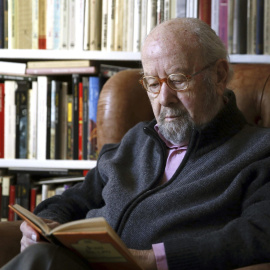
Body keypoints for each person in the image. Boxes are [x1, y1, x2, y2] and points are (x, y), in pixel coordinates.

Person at [2, 17, 270, 270]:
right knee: (43, 254)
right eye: (153, 83)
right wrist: (45, 225)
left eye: (178, 80)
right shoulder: (137, 140)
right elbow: (76, 198)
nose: (164, 98)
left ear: (219, 75)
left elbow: (259, 233)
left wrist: (154, 260)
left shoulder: (259, 151)